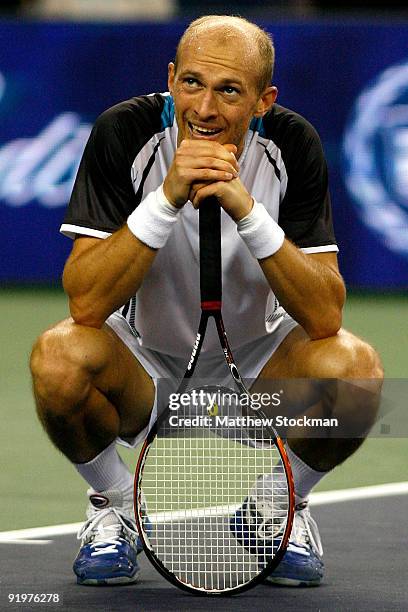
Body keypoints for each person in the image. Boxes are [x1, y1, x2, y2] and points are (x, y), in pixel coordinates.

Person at [30, 15, 383, 587]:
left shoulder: (292, 143)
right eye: (192, 83)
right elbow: (86, 303)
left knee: (356, 371)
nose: (205, 109)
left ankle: (275, 506)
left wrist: (248, 211)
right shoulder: (125, 131)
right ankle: (118, 505)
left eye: (229, 91)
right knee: (57, 357)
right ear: (170, 78)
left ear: (264, 101)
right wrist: (167, 195)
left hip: (260, 381)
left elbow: (325, 315)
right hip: (144, 373)